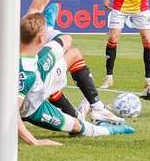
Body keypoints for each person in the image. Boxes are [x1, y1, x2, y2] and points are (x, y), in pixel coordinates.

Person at [12, 11, 135, 146]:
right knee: (78, 127)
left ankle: (97, 108)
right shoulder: (25, 73)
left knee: (68, 43)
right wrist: (34, 141)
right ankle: (108, 130)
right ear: (41, 39)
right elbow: (11, 112)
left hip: (38, 70)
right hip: (33, 109)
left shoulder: (17, 51)